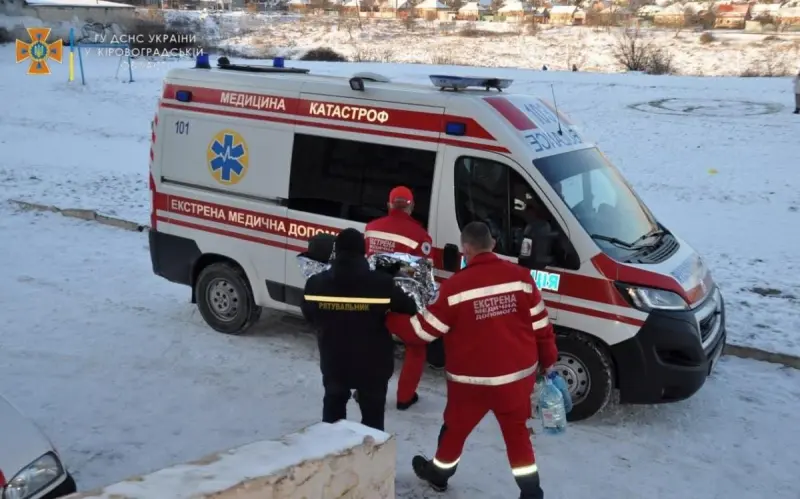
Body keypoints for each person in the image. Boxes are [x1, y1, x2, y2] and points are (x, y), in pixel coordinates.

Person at [399, 221, 559, 499]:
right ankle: (532, 492)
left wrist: (390, 317)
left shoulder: (455, 287)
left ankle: (439, 475)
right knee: (517, 435)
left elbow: (422, 331)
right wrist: (549, 361)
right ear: (492, 244)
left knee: (455, 431)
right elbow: (541, 326)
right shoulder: (521, 278)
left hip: (470, 384)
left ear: (465, 249)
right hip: (516, 379)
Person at [301, 228, 418, 432]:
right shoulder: (382, 284)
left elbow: (309, 314)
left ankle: (331, 448)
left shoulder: (315, 284)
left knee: (332, 419)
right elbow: (410, 307)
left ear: (337, 251)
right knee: (373, 425)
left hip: (334, 362)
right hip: (373, 365)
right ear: (363, 252)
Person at [364, 185, 443, 411]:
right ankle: (405, 397)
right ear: (411, 207)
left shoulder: (371, 228)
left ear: (389, 204)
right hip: (403, 303)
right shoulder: (420, 236)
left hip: (372, 299)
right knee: (416, 346)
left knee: (371, 346)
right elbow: (424, 274)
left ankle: (365, 389)